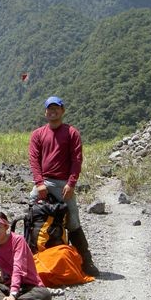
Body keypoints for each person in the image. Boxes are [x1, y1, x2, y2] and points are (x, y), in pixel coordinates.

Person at [29, 96, 99, 277]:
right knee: (32, 216)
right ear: (45, 112)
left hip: (64, 184)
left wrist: (71, 183)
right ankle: (33, 259)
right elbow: (34, 160)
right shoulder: (38, 134)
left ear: (62, 110)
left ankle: (86, 261)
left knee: (73, 222)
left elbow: (77, 160)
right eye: (49, 109)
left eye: (56, 108)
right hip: (44, 182)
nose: (53, 111)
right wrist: (39, 183)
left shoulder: (71, 133)